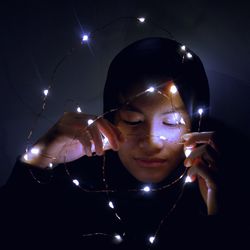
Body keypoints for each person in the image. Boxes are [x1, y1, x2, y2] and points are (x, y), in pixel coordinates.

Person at [0, 37, 249, 249]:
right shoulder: (79, 179)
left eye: (172, 123)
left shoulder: (231, 179)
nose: (151, 143)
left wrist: (220, 216)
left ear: (196, 123)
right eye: (132, 120)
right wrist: (38, 158)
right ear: (110, 116)